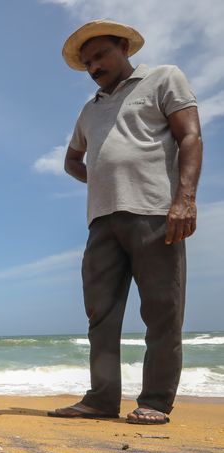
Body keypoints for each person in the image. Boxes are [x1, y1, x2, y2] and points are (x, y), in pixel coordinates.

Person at [49, 20, 203, 424]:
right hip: (101, 220)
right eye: (87, 63)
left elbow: (190, 136)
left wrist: (185, 198)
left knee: (162, 311)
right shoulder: (89, 110)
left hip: (155, 210)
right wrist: (100, 179)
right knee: (100, 314)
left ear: (123, 46)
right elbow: (71, 161)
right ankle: (101, 399)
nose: (94, 67)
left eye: (100, 55)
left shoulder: (163, 79)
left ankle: (154, 401)